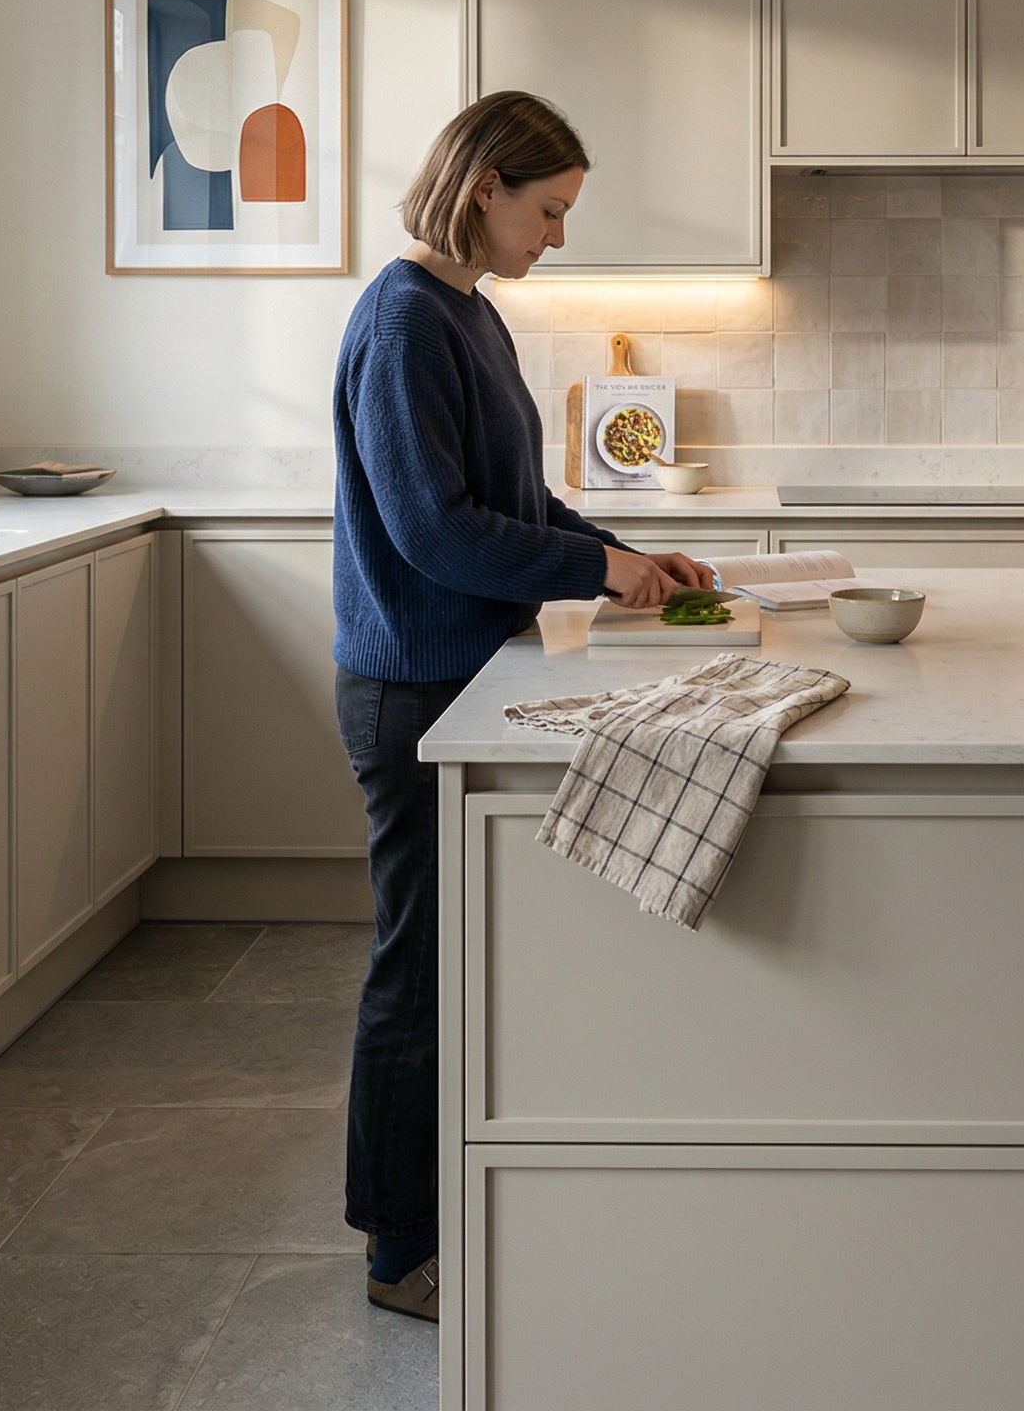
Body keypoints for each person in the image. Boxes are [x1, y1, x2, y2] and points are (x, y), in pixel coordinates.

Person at [331, 90, 706, 1321]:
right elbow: (435, 531)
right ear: (483, 185)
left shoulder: (466, 311)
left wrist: (621, 554)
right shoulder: (403, 320)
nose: (557, 233)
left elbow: (515, 502)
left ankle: (462, 1204)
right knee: (420, 965)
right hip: (411, 689)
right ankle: (399, 1251)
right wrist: (595, 567)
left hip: (460, 675)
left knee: (459, 952)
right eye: (547, 209)